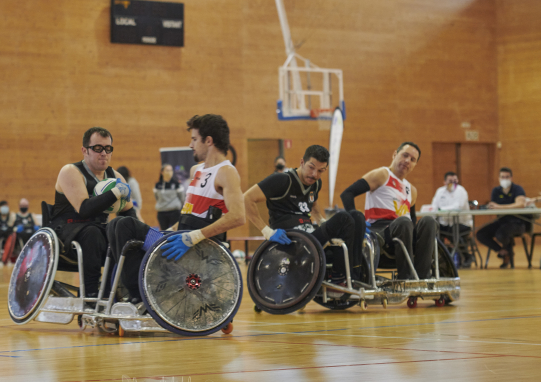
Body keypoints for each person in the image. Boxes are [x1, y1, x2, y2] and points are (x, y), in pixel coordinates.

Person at [107, 114, 245, 301]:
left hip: (197, 250)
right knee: (116, 225)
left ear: (209, 141)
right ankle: (114, 294)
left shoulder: (226, 172)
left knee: (125, 225)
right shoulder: (196, 170)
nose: (191, 145)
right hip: (174, 241)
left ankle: (139, 297)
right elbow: (188, 215)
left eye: (194, 139)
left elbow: (238, 216)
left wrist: (195, 237)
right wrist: (169, 230)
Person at [245, 145, 366, 281]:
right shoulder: (282, 180)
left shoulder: (315, 183)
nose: (315, 174)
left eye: (321, 170)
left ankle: (356, 276)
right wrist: (266, 231)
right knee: (344, 218)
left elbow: (312, 203)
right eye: (311, 167)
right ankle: (339, 277)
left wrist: (320, 220)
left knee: (358, 217)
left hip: (310, 237)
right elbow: (246, 199)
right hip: (292, 240)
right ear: (302, 162)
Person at [50, 127, 135, 300]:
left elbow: (129, 213)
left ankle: (113, 290)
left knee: (122, 234)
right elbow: (84, 209)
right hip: (67, 232)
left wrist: (140, 234)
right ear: (84, 150)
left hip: (98, 230)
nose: (103, 153)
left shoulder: (115, 176)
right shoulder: (70, 171)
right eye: (98, 148)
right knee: (93, 232)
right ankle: (89, 293)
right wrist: (116, 193)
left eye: (108, 148)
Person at [340, 142, 438, 279]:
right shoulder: (382, 174)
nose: (407, 161)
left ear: (415, 165)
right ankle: (406, 277)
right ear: (394, 154)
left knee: (429, 221)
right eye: (405, 155)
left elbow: (413, 220)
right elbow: (347, 194)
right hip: (380, 231)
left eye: (412, 159)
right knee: (403, 222)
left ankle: (422, 277)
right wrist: (355, 221)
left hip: (405, 231)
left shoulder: (412, 190)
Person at [475, 167, 527, 268]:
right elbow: (493, 206)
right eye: (502, 177)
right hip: (501, 221)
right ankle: (503, 251)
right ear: (499, 178)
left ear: (511, 178)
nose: (505, 179)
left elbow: (520, 204)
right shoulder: (496, 191)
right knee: (481, 234)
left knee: (501, 233)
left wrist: (500, 207)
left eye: (507, 177)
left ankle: (508, 253)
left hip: (517, 223)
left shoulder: (517, 189)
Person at [431, 172, 474, 266]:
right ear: (444, 182)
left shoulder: (461, 191)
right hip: (445, 223)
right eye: (450, 181)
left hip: (462, 223)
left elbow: (458, 207)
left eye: (455, 181)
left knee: (453, 231)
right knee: (433, 230)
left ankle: (467, 256)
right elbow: (434, 206)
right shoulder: (440, 191)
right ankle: (439, 259)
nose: (453, 183)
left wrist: (441, 209)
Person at [153, 163, 185, 230]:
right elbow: (157, 197)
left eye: (171, 170)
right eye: (167, 170)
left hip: (174, 212)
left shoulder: (177, 184)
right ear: (162, 172)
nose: (169, 172)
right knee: (164, 232)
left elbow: (182, 198)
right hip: (162, 212)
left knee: (175, 231)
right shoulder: (157, 185)